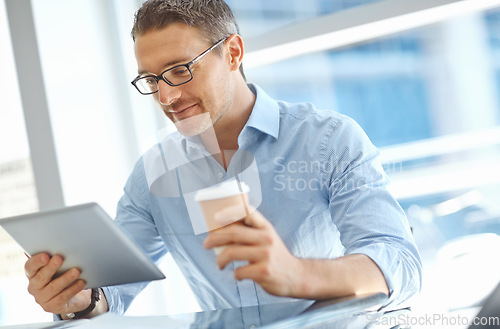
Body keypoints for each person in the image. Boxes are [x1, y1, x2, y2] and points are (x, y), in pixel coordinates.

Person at [24, 0, 422, 321]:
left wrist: (297, 273)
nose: (166, 98)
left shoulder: (329, 140)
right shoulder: (152, 175)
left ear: (232, 53)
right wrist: (77, 299)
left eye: (179, 71)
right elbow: (110, 289)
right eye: (151, 79)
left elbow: (400, 265)